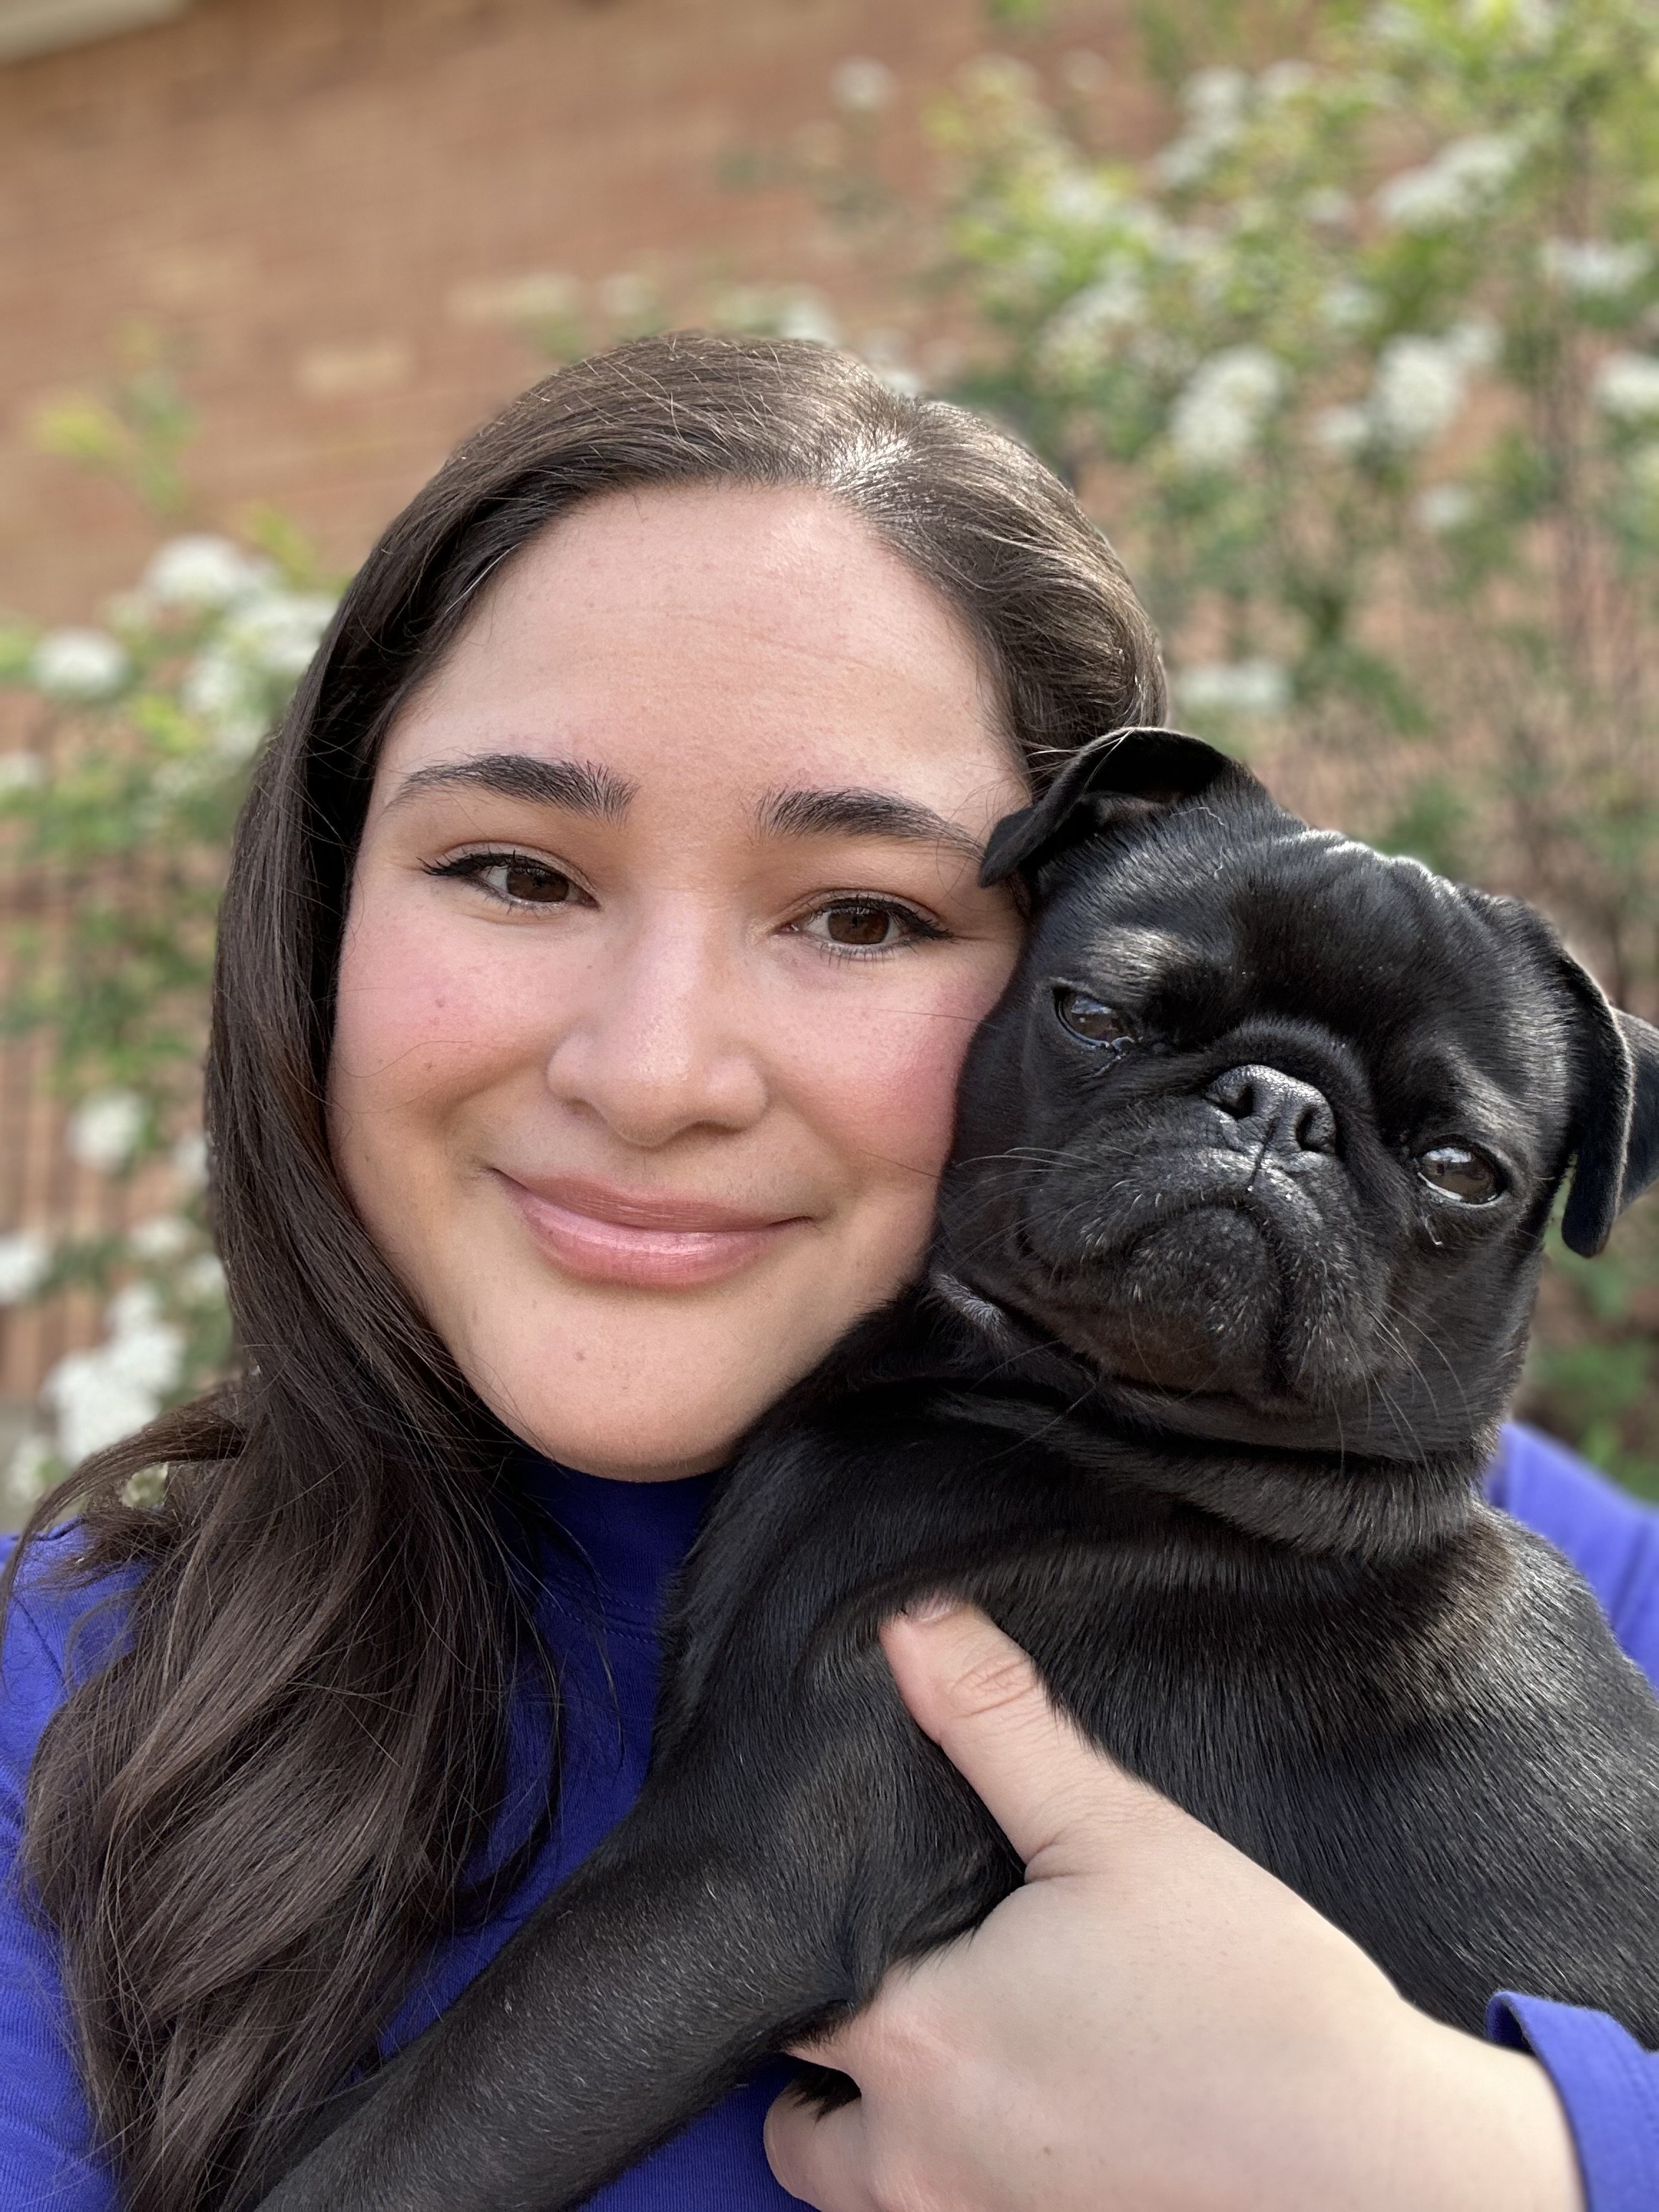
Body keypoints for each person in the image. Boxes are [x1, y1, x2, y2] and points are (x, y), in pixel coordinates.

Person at [0, 334, 1653, 2212]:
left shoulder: (1570, 1589)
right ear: (316, 911)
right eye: (516, 873)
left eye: (862, 914)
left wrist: (1487, 2167)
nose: (655, 1065)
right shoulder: (68, 1703)